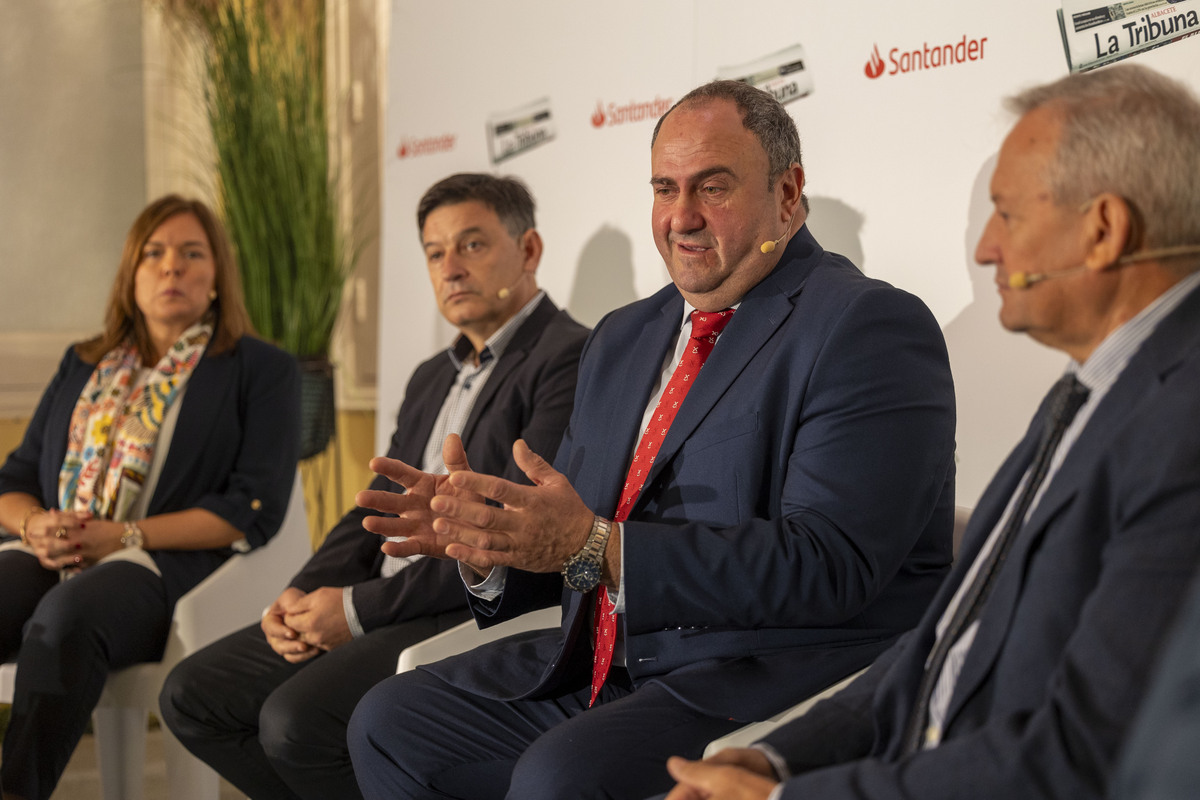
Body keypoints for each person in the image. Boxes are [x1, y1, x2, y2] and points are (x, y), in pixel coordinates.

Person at [347, 80, 957, 799]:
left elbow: (831, 565)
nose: (682, 217)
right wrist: (494, 542)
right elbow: (576, 532)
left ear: (788, 194)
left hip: (766, 669)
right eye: (665, 188)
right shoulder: (624, 335)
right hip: (610, 656)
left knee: (559, 777)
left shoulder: (866, 328)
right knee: (390, 720)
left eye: (714, 187)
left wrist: (593, 548)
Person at [659, 63, 1200, 800]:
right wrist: (774, 760)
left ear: (1104, 230)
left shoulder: (1181, 426)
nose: (986, 251)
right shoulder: (1088, 390)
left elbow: (1084, 752)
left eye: (1008, 213)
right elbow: (943, 643)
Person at [158, 173, 589, 800]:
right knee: (193, 694)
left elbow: (514, 537)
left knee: (294, 723)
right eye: (435, 253)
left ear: (528, 251)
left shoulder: (568, 357)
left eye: (471, 246)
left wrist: (355, 612)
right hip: (380, 598)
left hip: (468, 604)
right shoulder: (429, 376)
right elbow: (372, 507)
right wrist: (303, 591)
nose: (451, 268)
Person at [0, 195, 300, 800]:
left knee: (66, 618)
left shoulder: (259, 369)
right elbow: (18, 473)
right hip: (58, 547)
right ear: (131, 276)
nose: (172, 268)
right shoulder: (83, 363)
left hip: (162, 563)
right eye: (154, 255)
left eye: (193, 254)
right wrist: (33, 525)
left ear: (217, 276)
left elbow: (254, 504)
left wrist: (124, 536)